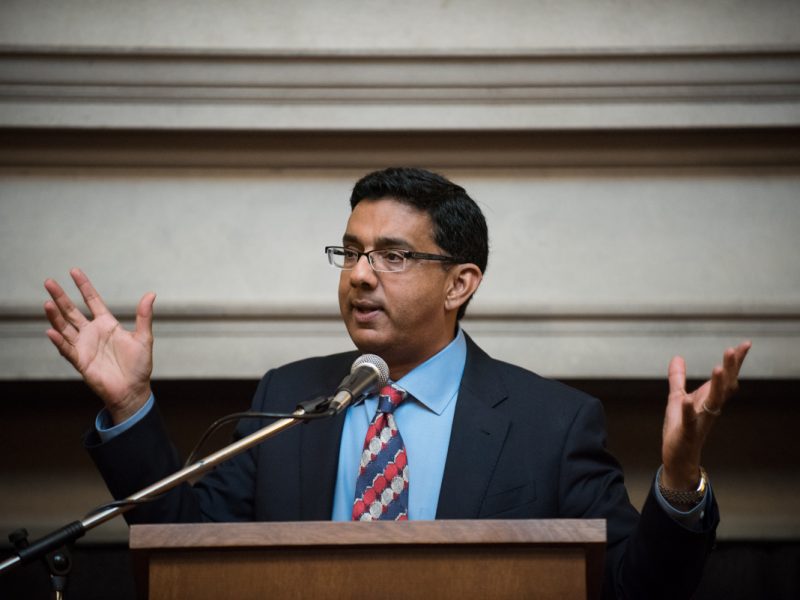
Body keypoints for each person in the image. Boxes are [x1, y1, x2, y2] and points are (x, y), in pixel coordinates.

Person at [43, 167, 750, 599]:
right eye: (349, 253)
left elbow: (631, 590)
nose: (359, 274)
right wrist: (132, 406)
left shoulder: (551, 421)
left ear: (461, 282)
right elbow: (188, 558)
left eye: (393, 255)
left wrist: (680, 482)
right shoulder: (286, 396)